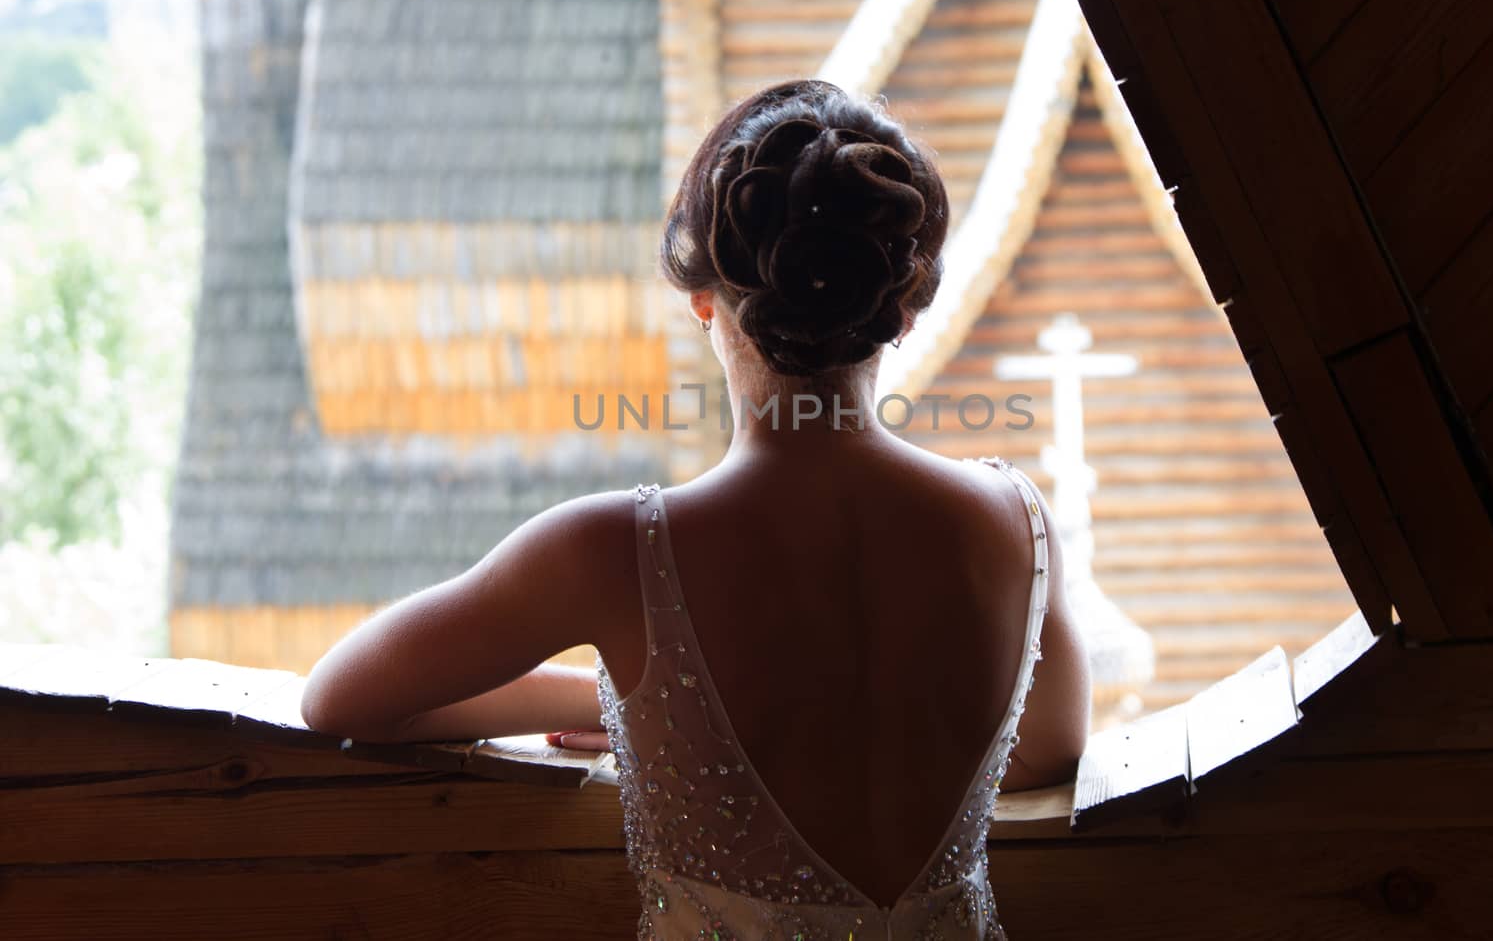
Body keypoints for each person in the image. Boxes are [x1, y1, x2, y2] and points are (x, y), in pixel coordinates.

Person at [301, 79, 1092, 938]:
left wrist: (627, 707)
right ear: (902, 312)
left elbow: (342, 696)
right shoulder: (1013, 520)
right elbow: (1047, 749)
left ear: (705, 302)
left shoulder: (615, 550)